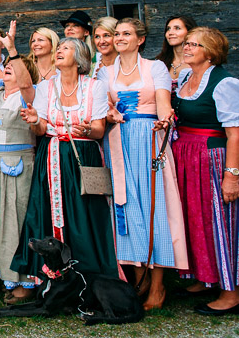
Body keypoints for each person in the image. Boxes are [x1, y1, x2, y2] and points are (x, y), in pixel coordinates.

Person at [99, 18, 187, 310]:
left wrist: (165, 119)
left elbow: (163, 102)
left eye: (126, 34)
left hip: (149, 139)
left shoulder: (155, 67)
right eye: (117, 34)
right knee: (129, 210)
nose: (120, 38)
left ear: (140, 40)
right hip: (118, 144)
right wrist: (109, 116)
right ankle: (140, 279)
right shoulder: (105, 72)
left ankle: (159, 287)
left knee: (156, 211)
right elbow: (103, 111)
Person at [12, 37, 118, 278]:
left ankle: (89, 273)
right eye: (58, 48)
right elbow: (40, 129)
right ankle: (50, 275)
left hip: (83, 154)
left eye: (66, 48)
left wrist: (88, 130)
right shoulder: (47, 87)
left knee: (84, 213)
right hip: (51, 155)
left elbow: (100, 129)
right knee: (49, 210)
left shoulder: (94, 87)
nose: (59, 51)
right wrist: (33, 121)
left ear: (79, 57)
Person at [170, 27, 239, 315]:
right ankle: (207, 277)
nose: (187, 48)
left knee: (219, 222)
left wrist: (232, 175)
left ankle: (231, 292)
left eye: (194, 45)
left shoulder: (224, 83)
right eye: (186, 44)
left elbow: (235, 133)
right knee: (194, 219)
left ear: (209, 52)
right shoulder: (186, 76)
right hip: (186, 153)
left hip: (211, 156)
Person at [0, 37, 39, 305]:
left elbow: (25, 83)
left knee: (15, 218)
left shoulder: (30, 94)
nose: (9, 69)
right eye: (8, 66)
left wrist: (13, 50)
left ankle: (23, 282)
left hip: (16, 163)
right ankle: (5, 275)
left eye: (15, 67)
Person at [154, 15, 198, 88]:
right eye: (168, 29)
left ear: (190, 32)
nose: (170, 32)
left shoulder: (198, 63)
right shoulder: (160, 63)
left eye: (177, 28)